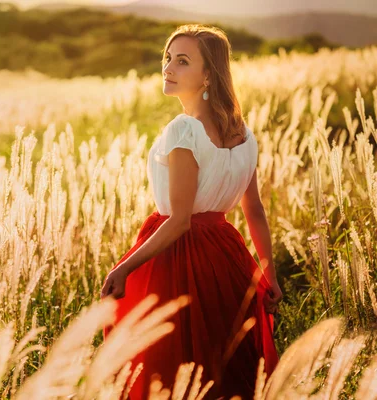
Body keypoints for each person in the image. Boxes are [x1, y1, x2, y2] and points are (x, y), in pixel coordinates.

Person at [100, 24, 283, 400]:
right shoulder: (243, 135)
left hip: (178, 259)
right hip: (228, 259)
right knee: (224, 369)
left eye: (182, 61)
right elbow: (255, 212)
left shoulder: (184, 129)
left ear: (207, 75)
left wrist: (123, 268)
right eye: (168, 58)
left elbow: (180, 220)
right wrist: (269, 274)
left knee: (170, 370)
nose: (169, 67)